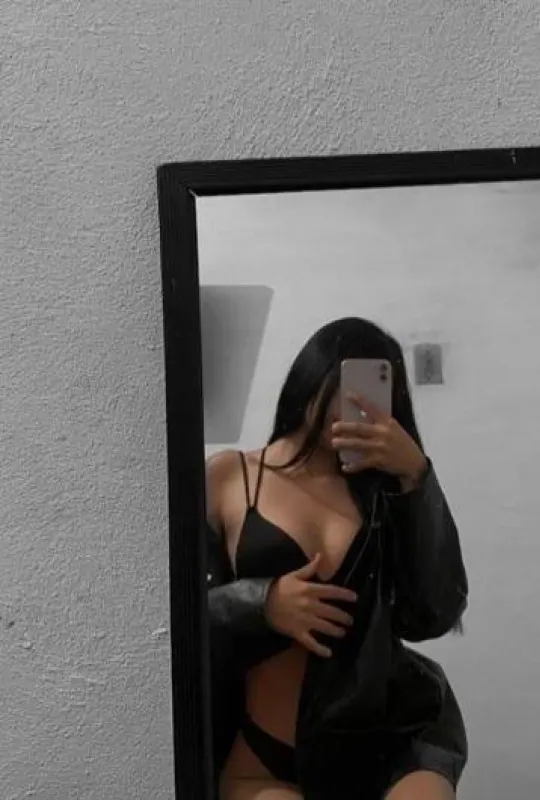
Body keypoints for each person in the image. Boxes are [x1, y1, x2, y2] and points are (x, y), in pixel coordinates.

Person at [204, 317, 468, 800]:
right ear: (314, 375)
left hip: (394, 742)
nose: (356, 405)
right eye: (345, 386)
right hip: (265, 756)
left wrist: (416, 476)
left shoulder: (387, 491)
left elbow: (433, 614)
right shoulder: (230, 476)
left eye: (373, 392)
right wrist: (262, 603)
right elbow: (175, 621)